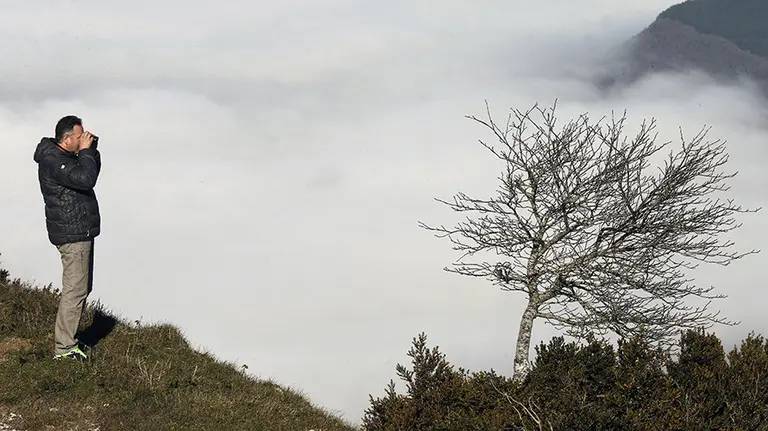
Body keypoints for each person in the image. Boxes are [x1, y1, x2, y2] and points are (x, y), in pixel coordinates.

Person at [33, 115, 102, 361]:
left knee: (82, 288)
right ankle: (64, 349)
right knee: (75, 290)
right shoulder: (55, 161)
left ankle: (69, 339)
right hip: (72, 233)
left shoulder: (63, 157)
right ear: (67, 138)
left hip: (78, 230)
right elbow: (86, 179)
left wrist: (89, 151)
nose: (83, 139)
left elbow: (88, 173)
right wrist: (85, 152)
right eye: (79, 136)